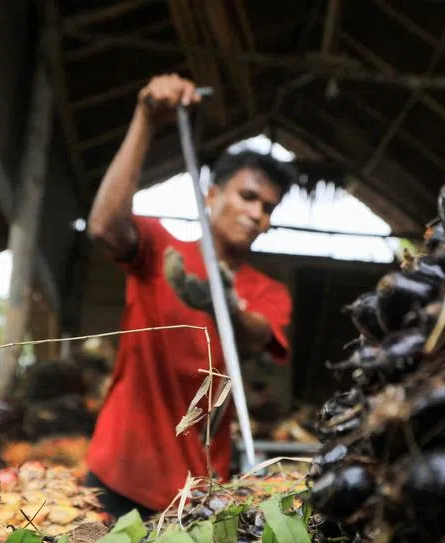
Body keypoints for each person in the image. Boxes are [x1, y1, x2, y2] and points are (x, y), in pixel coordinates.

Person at [84, 73, 296, 518]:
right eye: (248, 197)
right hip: (117, 474)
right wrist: (145, 119)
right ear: (212, 194)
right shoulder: (160, 247)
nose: (257, 214)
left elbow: (256, 337)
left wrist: (222, 301)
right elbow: (104, 227)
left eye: (268, 208)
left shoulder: (267, 292)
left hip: (194, 496)